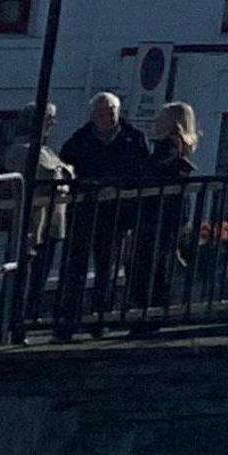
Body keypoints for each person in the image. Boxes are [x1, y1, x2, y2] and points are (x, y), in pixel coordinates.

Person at [51, 93, 149, 337]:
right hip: (84, 211)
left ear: (118, 113)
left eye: (110, 113)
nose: (106, 118)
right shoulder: (80, 139)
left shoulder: (133, 139)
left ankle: (100, 319)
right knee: (75, 267)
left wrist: (118, 188)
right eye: (101, 114)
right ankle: (68, 320)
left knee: (108, 268)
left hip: (116, 214)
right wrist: (88, 187)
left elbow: (141, 174)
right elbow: (66, 170)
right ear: (93, 115)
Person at [130, 102, 199, 316]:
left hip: (161, 212)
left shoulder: (170, 146)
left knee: (152, 263)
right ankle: (153, 311)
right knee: (157, 262)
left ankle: (149, 313)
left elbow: (154, 171)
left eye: (162, 117)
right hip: (169, 210)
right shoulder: (175, 147)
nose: (156, 121)